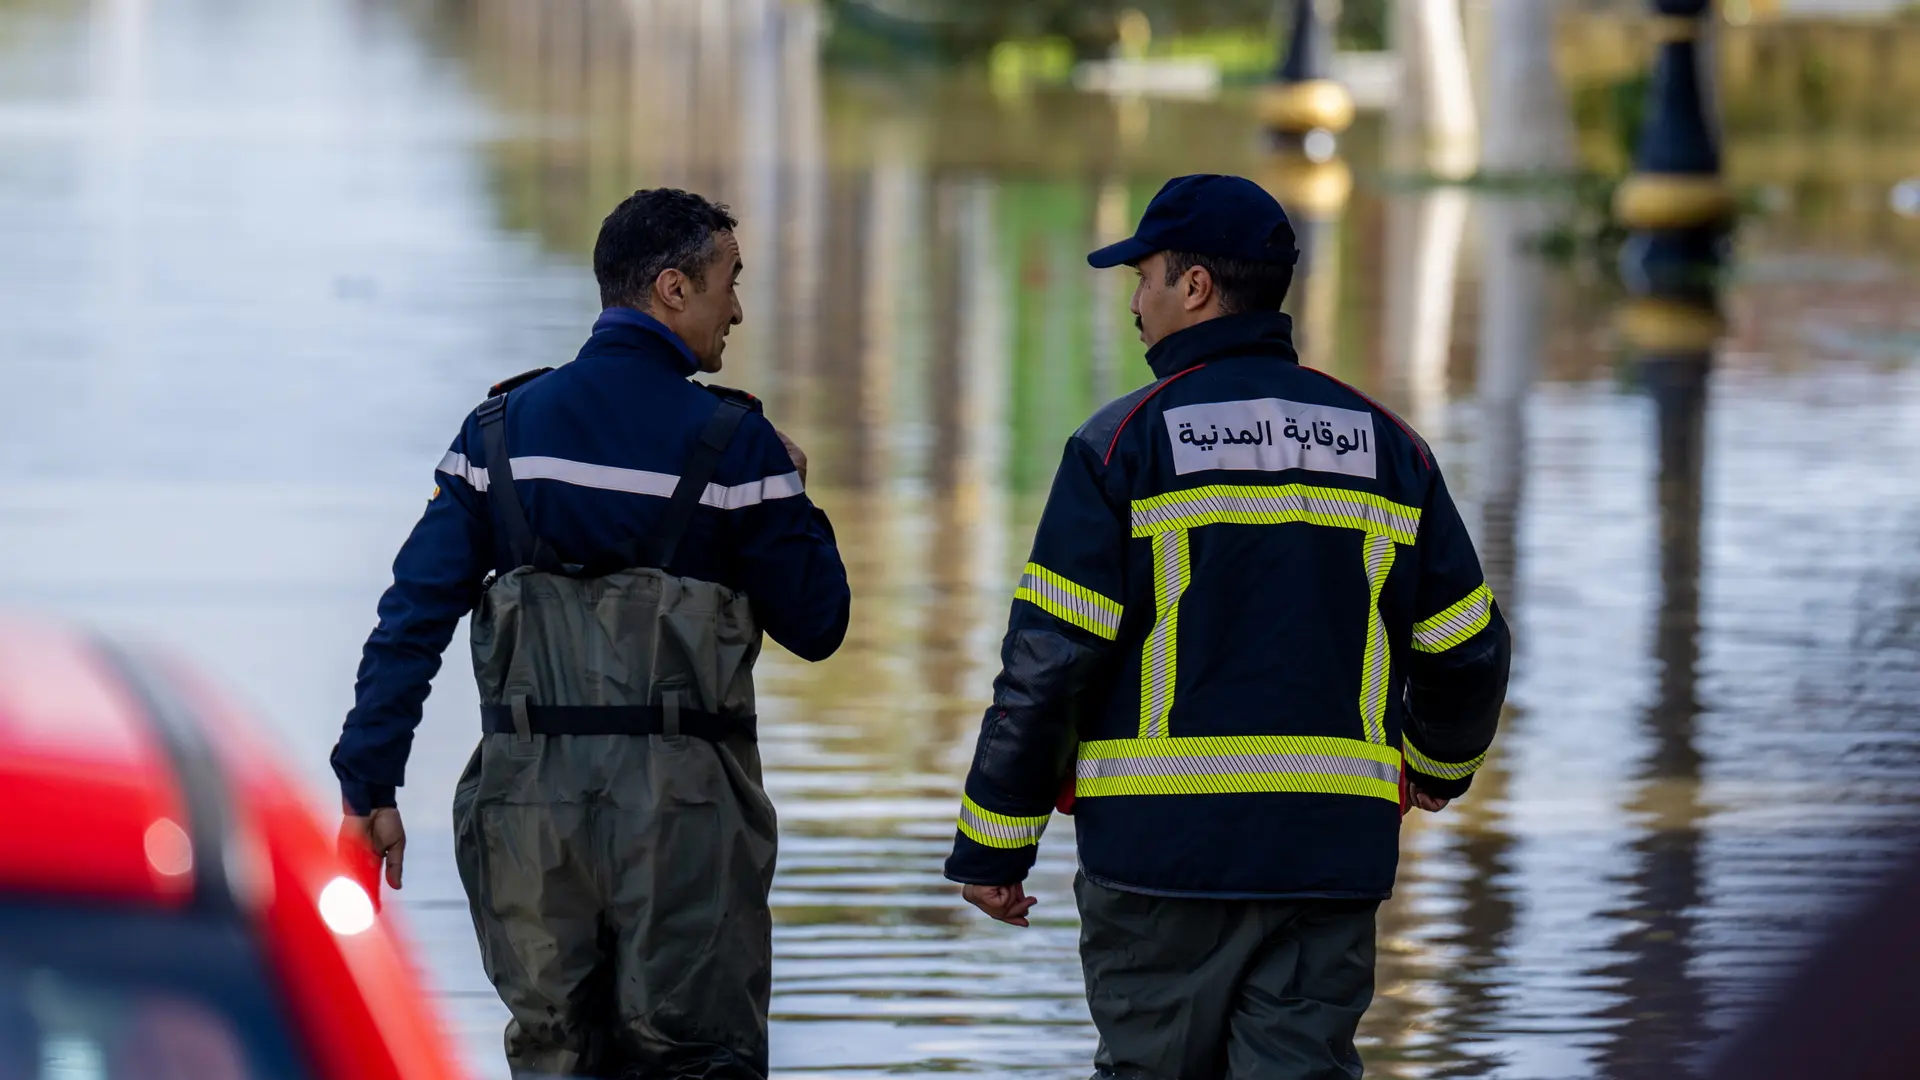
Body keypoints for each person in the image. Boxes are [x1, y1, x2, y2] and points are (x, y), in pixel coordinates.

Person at [944, 174, 1510, 1079]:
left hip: (1161, 859)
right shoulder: (1390, 445)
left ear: (1196, 286)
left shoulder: (1124, 442)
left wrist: (995, 840)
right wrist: (1439, 763)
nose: (1136, 302)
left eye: (1145, 276)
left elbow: (1051, 661)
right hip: (1328, 857)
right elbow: (1465, 643)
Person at [331, 188, 851, 1078]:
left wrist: (367, 782)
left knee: (555, 1055)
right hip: (685, 822)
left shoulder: (498, 435)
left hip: (528, 820)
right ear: (672, 289)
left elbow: (412, 614)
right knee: (699, 1060)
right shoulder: (738, 446)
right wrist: (791, 493)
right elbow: (819, 623)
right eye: (730, 281)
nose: (739, 308)